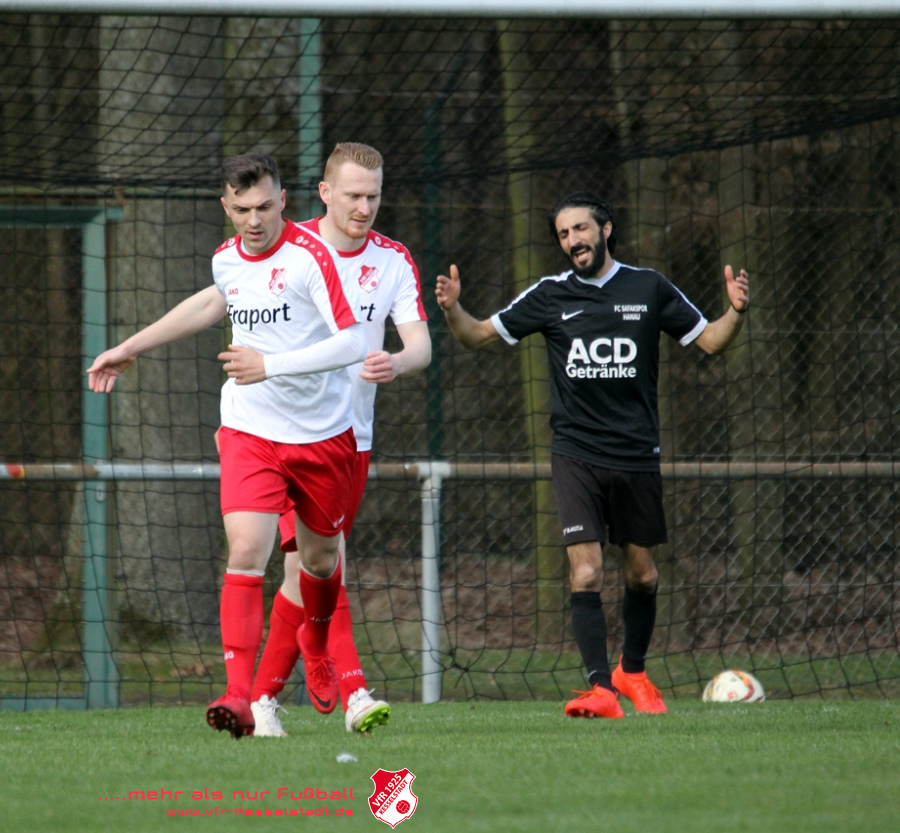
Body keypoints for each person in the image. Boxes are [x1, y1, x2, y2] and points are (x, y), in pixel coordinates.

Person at [434, 191, 750, 719]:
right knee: (585, 573)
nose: (572, 240)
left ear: (605, 229)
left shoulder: (648, 287)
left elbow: (712, 341)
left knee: (643, 575)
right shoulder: (550, 294)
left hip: (637, 454)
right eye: (563, 234)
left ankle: (632, 672)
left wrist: (735, 311)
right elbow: (476, 336)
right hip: (575, 454)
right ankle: (601, 688)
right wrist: (452, 310)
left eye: (580, 228)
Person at [87, 151, 366, 738]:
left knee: (319, 561)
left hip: (321, 437)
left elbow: (352, 343)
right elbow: (214, 300)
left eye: (264, 207)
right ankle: (239, 696)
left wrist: (271, 365)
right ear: (226, 207)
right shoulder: (227, 258)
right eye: (241, 210)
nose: (254, 220)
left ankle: (316, 643)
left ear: (284, 200)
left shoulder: (312, 257)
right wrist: (131, 347)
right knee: (245, 550)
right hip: (249, 429)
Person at [247, 142, 431, 738]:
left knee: (309, 571)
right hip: (278, 433)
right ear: (325, 192)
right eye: (353, 195)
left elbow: (420, 345)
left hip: (350, 439)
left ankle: (261, 700)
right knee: (318, 562)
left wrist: (396, 363)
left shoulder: (393, 260)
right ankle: (354, 692)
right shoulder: (287, 248)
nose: (364, 207)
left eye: (373, 196)